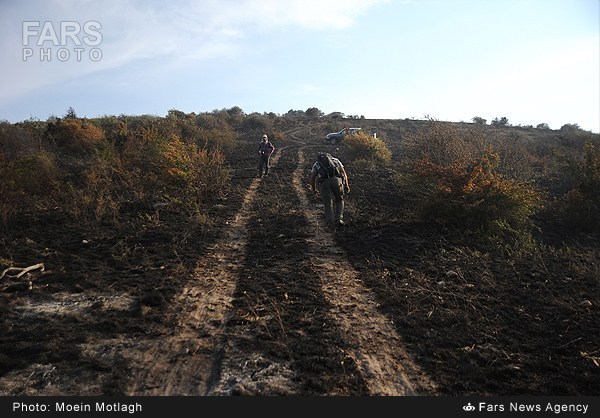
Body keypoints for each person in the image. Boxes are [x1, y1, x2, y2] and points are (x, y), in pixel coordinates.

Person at [309, 152, 350, 227]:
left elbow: (312, 177)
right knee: (339, 200)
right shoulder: (335, 160)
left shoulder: (317, 164)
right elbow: (343, 173)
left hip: (324, 183)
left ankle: (330, 223)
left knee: (328, 203)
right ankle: (339, 219)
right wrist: (346, 185)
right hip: (337, 181)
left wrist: (314, 189)